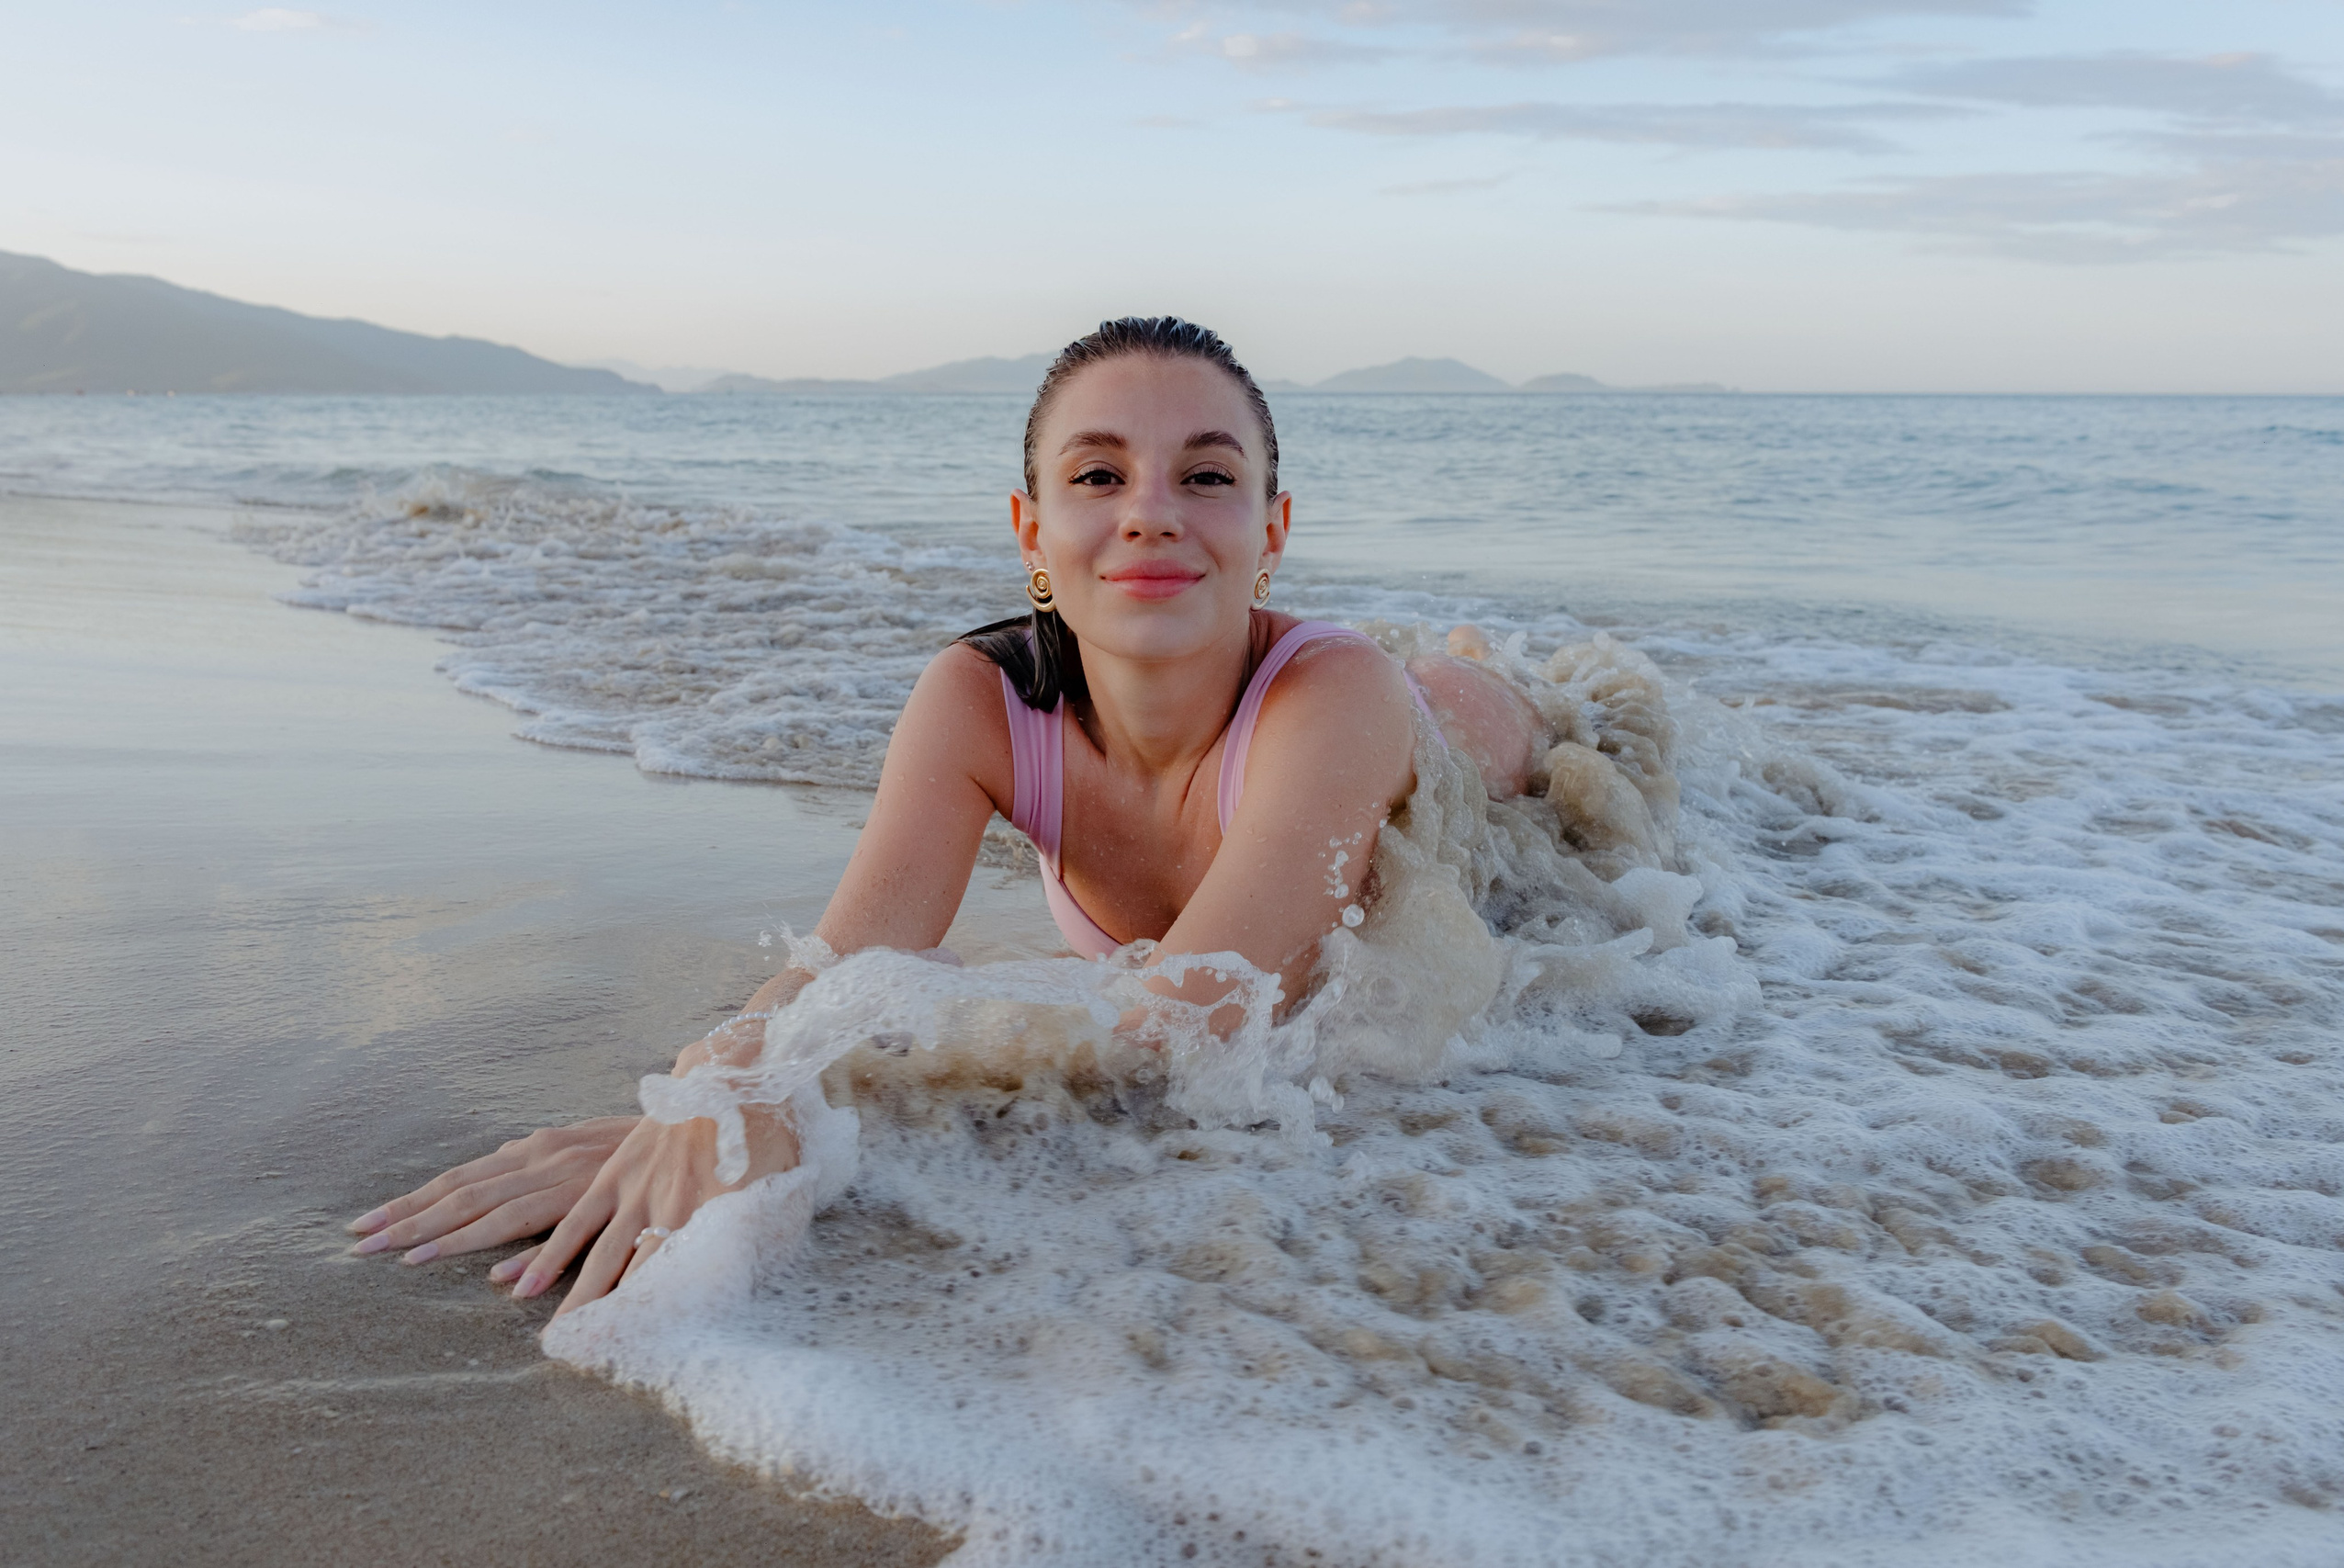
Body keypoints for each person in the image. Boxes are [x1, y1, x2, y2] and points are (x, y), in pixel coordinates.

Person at [346, 317, 1549, 1315]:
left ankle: (1479, 672)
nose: (1150, 511)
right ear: (1033, 532)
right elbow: (847, 961)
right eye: (1096, 475)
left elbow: (1188, 1022)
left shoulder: (1335, 699)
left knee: (1494, 723)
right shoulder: (981, 700)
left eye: (1208, 476)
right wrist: (710, 1093)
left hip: (1425, 755)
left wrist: (805, 1104)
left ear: (1271, 531)